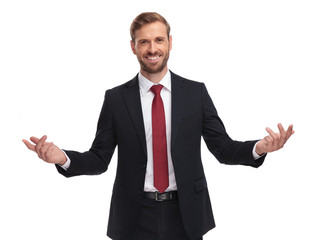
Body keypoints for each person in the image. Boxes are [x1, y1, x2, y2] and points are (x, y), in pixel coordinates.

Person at [22, 12, 294, 240]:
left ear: (170, 42)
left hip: (186, 214)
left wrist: (259, 147)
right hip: (133, 216)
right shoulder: (116, 99)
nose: (152, 49)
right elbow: (99, 158)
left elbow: (223, 149)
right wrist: (64, 158)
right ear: (133, 47)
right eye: (144, 42)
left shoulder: (195, 93)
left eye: (159, 40)